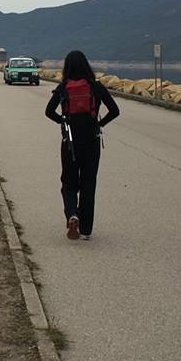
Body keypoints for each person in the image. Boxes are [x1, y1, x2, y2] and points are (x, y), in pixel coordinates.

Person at [44, 50, 120, 240]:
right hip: (92, 142)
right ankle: (85, 229)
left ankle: (72, 214)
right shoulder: (96, 87)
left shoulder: (63, 87)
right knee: (88, 183)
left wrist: (63, 121)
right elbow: (115, 111)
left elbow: (48, 111)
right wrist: (100, 124)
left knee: (68, 182)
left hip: (70, 142)